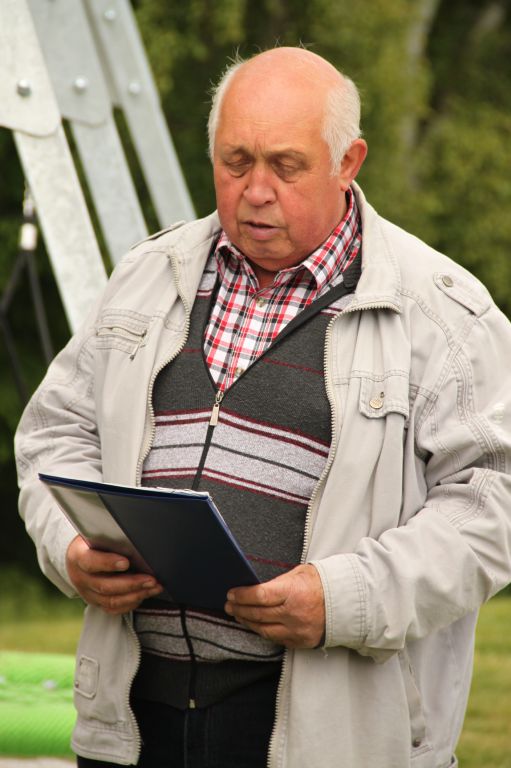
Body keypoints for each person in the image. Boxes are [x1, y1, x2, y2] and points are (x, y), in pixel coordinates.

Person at [15, 46, 511, 768]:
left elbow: (492, 507)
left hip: (328, 734)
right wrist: (71, 547)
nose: (255, 191)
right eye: (235, 161)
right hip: (133, 720)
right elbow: (54, 433)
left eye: (285, 165)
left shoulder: (443, 315)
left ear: (347, 162)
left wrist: (345, 598)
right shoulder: (148, 275)